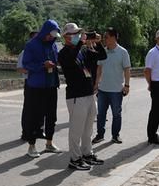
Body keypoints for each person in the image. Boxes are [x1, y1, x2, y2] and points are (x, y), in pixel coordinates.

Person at [58, 23, 106, 170]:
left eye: (79, 33)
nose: (78, 36)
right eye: (75, 34)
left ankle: (87, 153)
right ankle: (75, 158)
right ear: (66, 37)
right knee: (76, 129)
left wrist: (97, 43)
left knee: (88, 128)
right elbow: (71, 60)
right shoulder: (64, 52)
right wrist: (80, 42)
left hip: (89, 93)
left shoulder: (83, 51)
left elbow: (102, 56)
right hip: (76, 96)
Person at [22, 19, 63, 158]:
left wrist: (55, 64)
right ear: (45, 32)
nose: (51, 38)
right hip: (36, 86)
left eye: (54, 36)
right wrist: (42, 65)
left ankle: (49, 143)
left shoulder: (53, 45)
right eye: (50, 35)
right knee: (34, 116)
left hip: (51, 85)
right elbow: (26, 64)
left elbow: (56, 59)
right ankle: (31, 146)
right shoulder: (31, 45)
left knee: (51, 116)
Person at [93, 28, 131, 144]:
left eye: (107, 37)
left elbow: (127, 69)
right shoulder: (102, 52)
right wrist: (96, 84)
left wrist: (127, 85)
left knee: (116, 114)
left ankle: (115, 135)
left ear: (114, 38)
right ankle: (100, 135)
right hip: (103, 89)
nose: (105, 39)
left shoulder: (123, 52)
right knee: (101, 114)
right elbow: (99, 69)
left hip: (116, 90)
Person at [17, 31, 43, 141]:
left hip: (41, 83)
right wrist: (33, 71)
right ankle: (26, 132)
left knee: (41, 108)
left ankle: (39, 130)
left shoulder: (42, 51)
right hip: (30, 82)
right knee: (29, 108)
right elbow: (19, 68)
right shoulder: (25, 52)